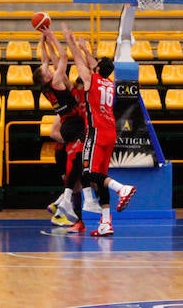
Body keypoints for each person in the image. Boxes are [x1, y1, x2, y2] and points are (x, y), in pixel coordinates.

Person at [62, 23, 136, 237]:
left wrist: (71, 42)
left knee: (88, 174)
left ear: (96, 70)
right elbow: (97, 66)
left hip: (95, 133)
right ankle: (105, 222)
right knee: (101, 176)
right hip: (111, 132)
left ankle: (122, 188)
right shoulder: (109, 83)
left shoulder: (91, 79)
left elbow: (79, 63)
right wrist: (86, 50)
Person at [33, 26, 84, 230]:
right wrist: (52, 35)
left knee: (79, 171)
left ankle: (64, 203)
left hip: (67, 126)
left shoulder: (48, 85)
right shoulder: (55, 81)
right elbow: (62, 56)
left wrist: (43, 41)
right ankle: (64, 205)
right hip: (73, 126)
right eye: (47, 70)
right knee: (79, 172)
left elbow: (47, 61)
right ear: (46, 77)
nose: (49, 68)